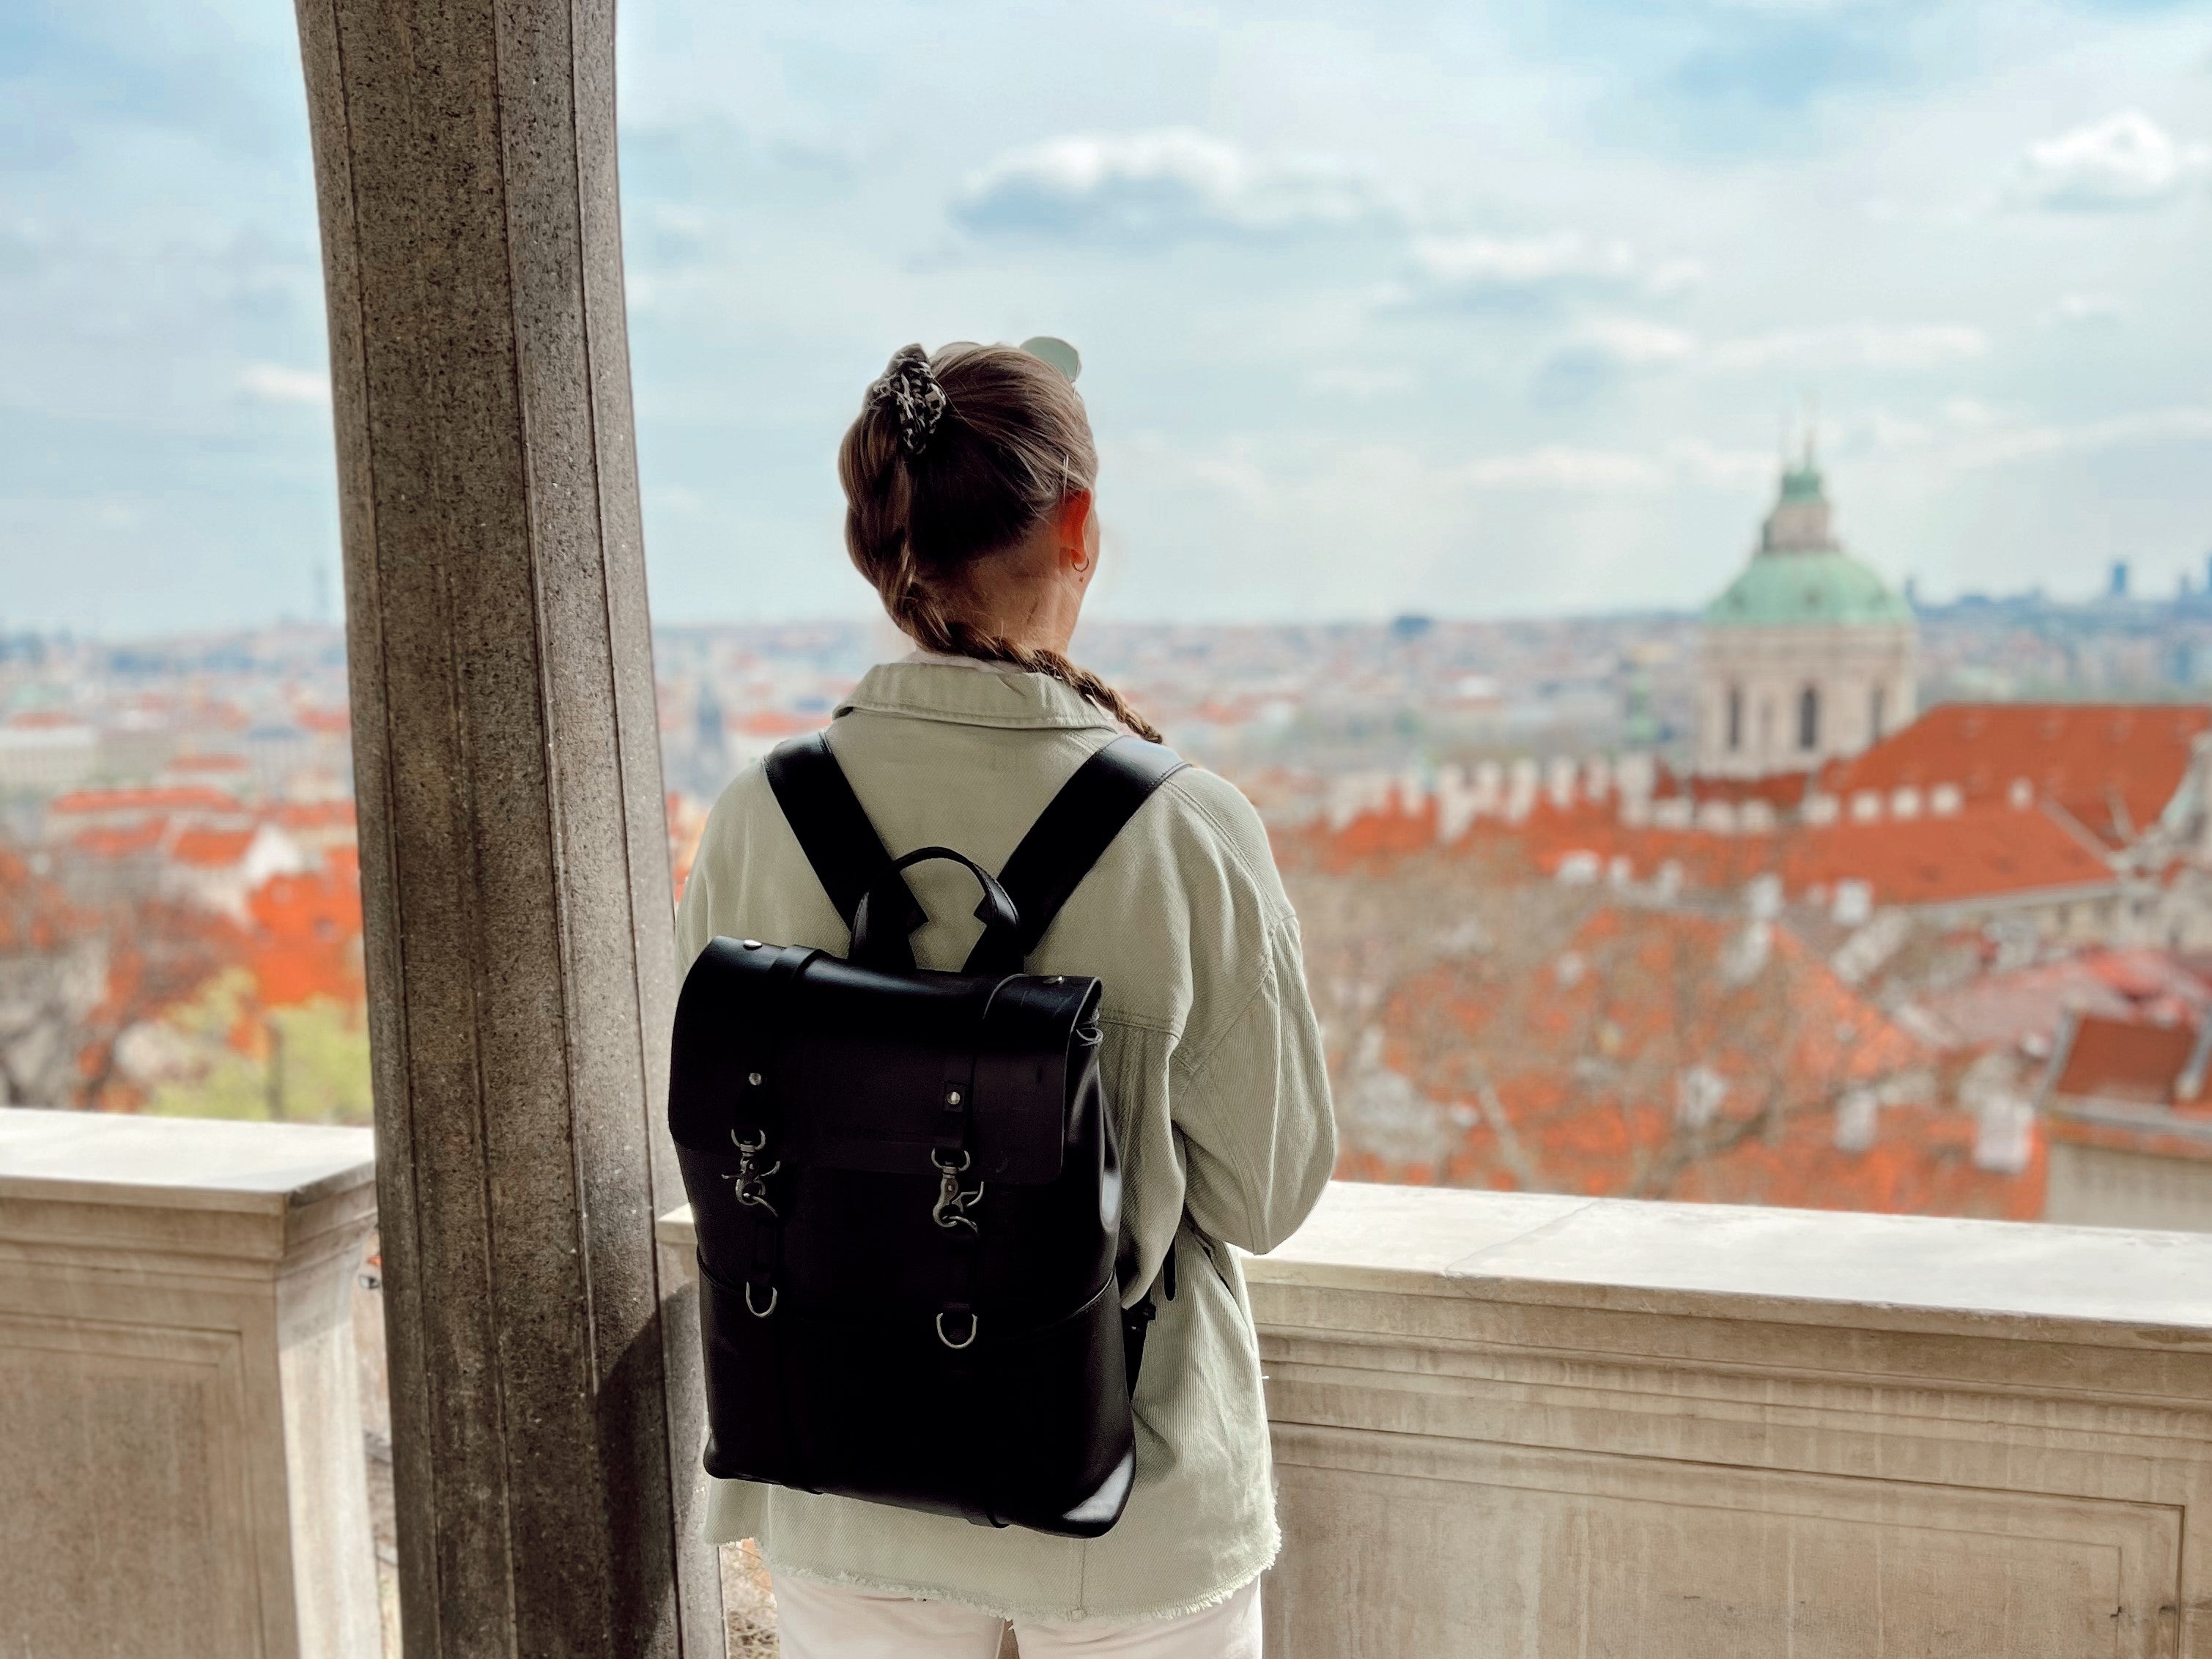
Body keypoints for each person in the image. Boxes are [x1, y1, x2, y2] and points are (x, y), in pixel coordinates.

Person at [674, 340, 1336, 1658]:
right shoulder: (1186, 830)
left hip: (842, 1475)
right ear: (1078, 524)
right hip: (1125, 1493)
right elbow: (1269, 1194)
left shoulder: (759, 818)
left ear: (879, 544)